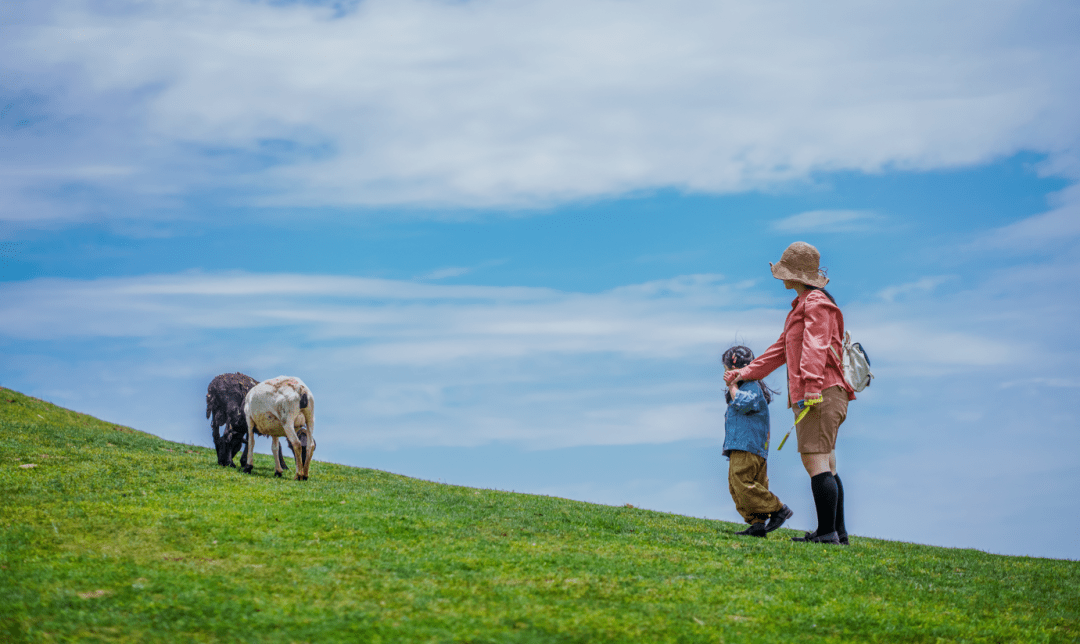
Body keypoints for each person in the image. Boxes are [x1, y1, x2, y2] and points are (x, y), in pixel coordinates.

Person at [724, 241, 855, 545]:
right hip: (823, 391)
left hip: (819, 393)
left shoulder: (815, 303)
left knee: (816, 460)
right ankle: (837, 532)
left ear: (795, 275)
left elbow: (815, 345)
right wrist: (745, 372)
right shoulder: (802, 305)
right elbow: (779, 351)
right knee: (827, 461)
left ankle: (827, 534)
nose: (780, 277)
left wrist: (810, 386)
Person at [721, 345, 793, 538]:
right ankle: (757, 524)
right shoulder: (751, 386)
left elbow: (743, 404)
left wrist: (732, 386)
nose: (726, 374)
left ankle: (778, 509)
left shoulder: (750, 386)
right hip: (751, 447)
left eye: (727, 370)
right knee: (747, 485)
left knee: (741, 483)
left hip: (746, 447)